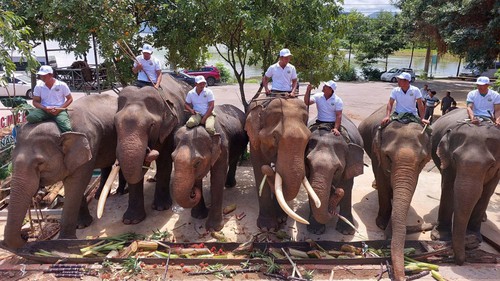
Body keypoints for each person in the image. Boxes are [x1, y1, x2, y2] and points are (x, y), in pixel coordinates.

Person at [27, 65, 73, 132]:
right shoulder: (38, 86)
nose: (42, 77)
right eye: (41, 76)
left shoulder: (62, 85)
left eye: (44, 75)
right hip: (44, 110)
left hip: (59, 109)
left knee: (66, 127)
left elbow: (70, 99)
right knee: (30, 117)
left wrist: (59, 109)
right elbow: (35, 102)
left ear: (51, 75)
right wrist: (44, 108)